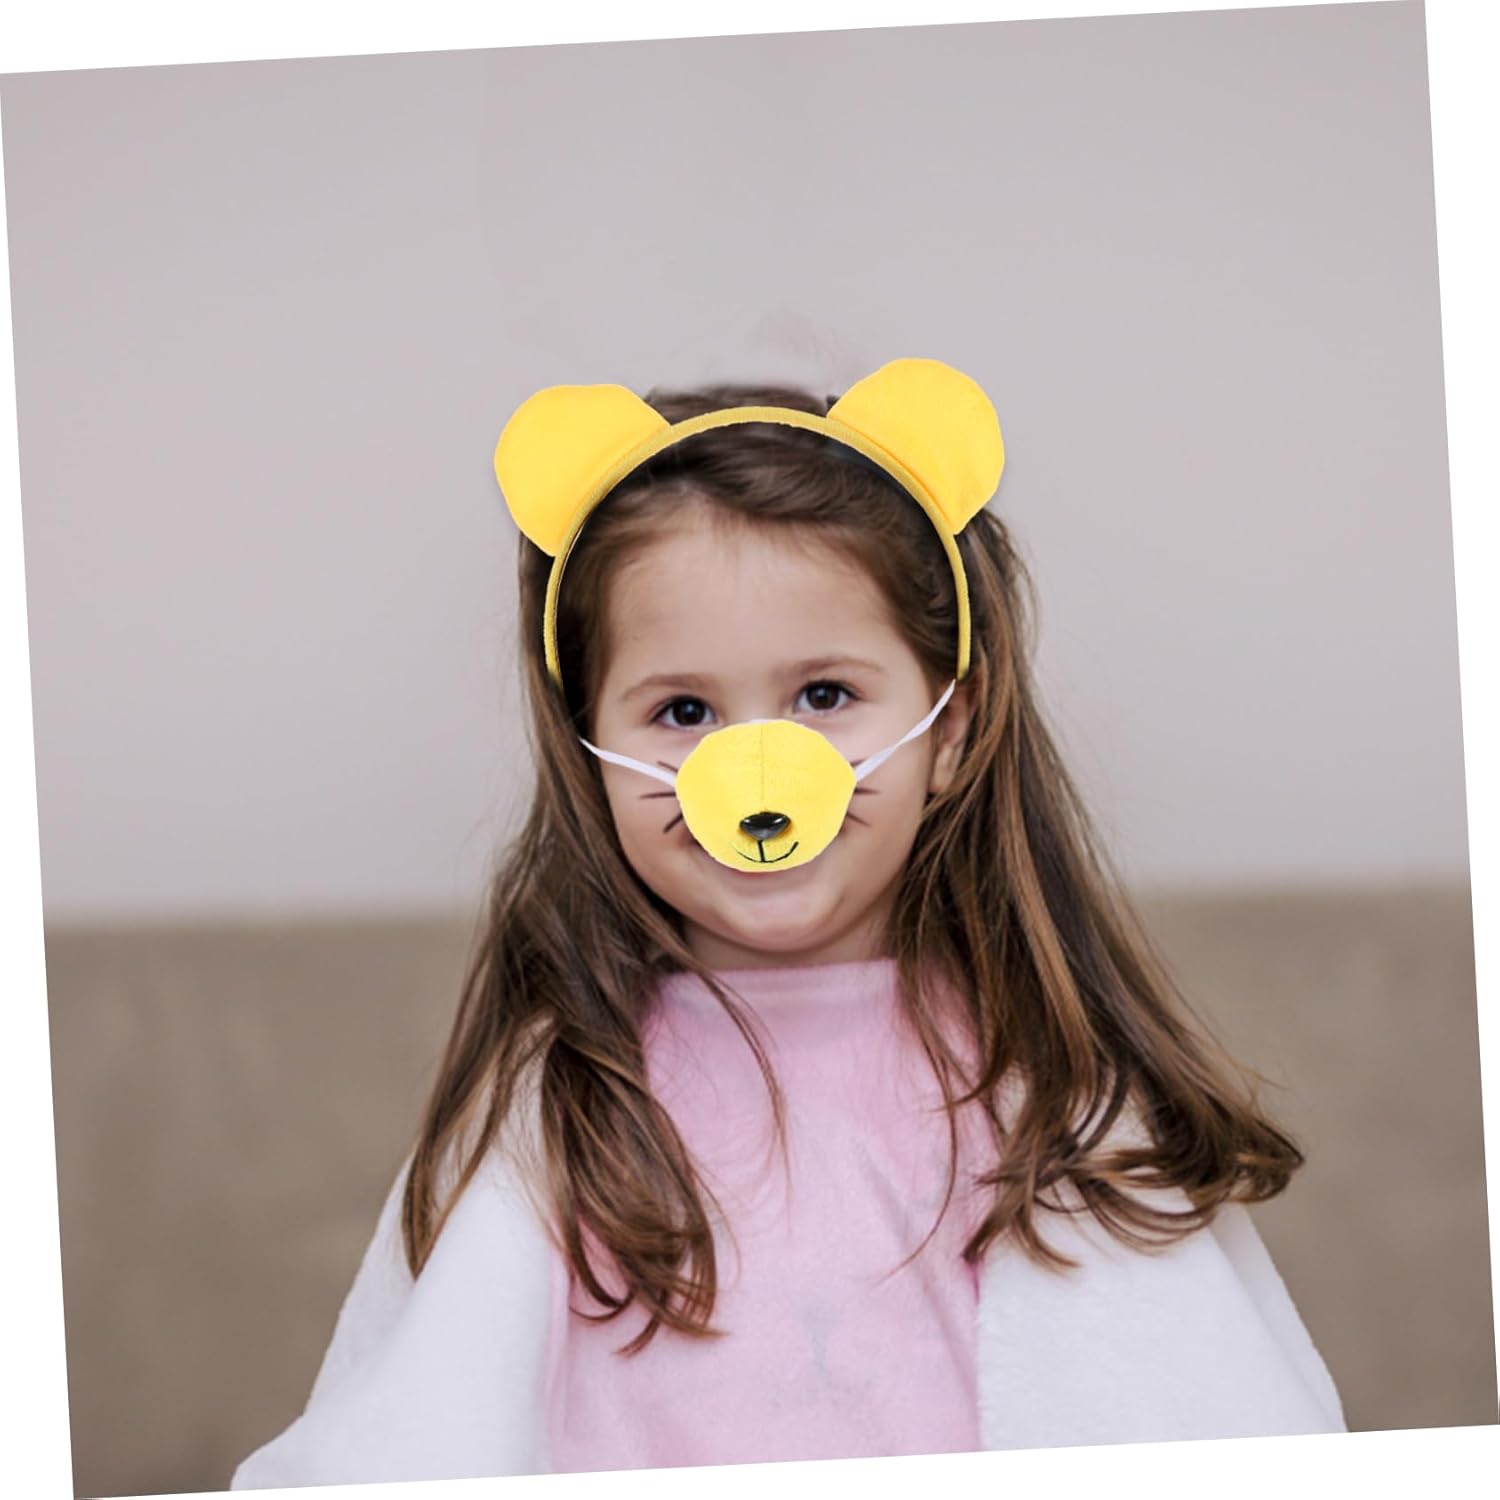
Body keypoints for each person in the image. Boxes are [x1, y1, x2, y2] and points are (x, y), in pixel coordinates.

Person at [230, 357, 1345, 1488]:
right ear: (591, 749)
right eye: (683, 710)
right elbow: (423, 1427)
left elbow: (1191, 1408)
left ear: (950, 729)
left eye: (823, 696)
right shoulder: (558, 1100)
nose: (755, 768)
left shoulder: (1046, 1082)